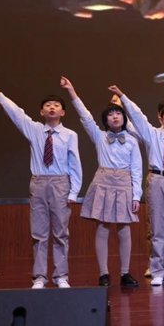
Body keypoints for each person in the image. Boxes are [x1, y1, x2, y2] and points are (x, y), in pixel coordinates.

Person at [0, 78, 82, 289]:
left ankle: (61, 276)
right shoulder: (34, 129)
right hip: (38, 183)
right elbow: (16, 112)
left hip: (60, 183)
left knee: (61, 233)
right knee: (39, 233)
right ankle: (39, 277)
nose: (52, 107)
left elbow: (75, 163)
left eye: (56, 105)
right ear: (41, 112)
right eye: (48, 105)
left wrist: (74, 191)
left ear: (63, 112)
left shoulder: (70, 135)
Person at [112, 85, 164, 286]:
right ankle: (157, 271)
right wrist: (123, 96)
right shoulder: (152, 134)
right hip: (157, 179)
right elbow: (138, 116)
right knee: (157, 228)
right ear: (160, 118)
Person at [61, 77, 141, 287]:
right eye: (111, 114)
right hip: (103, 182)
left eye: (118, 113)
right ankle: (104, 273)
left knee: (124, 229)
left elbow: (137, 170)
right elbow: (85, 116)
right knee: (103, 228)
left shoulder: (132, 140)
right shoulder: (99, 136)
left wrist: (136, 196)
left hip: (124, 184)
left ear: (124, 117)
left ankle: (125, 273)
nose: (115, 116)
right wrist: (71, 91)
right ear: (106, 120)